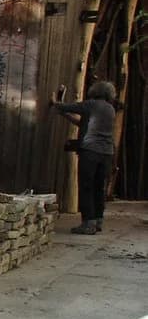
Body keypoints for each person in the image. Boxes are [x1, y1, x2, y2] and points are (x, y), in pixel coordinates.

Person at [50, 81, 118, 235]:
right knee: (99, 187)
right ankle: (98, 220)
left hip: (90, 151)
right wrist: (66, 116)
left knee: (86, 186)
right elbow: (83, 124)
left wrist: (56, 103)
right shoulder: (110, 109)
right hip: (107, 153)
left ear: (95, 91)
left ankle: (87, 223)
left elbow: (67, 106)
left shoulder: (91, 104)